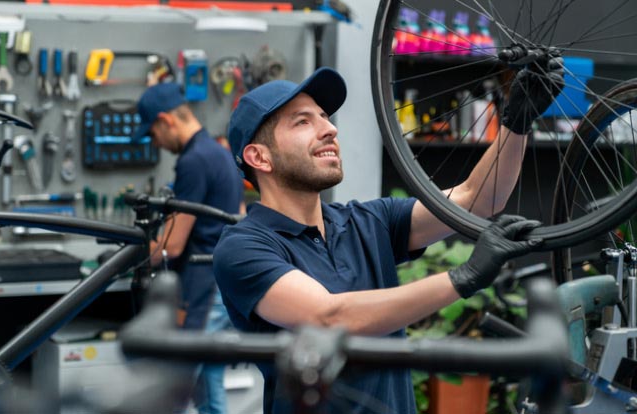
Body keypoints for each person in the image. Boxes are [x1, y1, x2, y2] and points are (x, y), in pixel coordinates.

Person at [213, 60, 564, 413]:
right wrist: (462, 278)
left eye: (324, 116)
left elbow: (476, 199)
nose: (329, 129)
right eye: (303, 121)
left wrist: (516, 121)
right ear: (259, 157)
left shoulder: (368, 220)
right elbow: (328, 317)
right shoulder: (244, 247)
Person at [134, 82, 244, 414]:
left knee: (172, 391)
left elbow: (173, 245)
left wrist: (129, 256)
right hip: (221, 285)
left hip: (202, 292)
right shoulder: (221, 153)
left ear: (166, 120)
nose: (156, 144)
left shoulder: (193, 161)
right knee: (210, 392)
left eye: (152, 135)